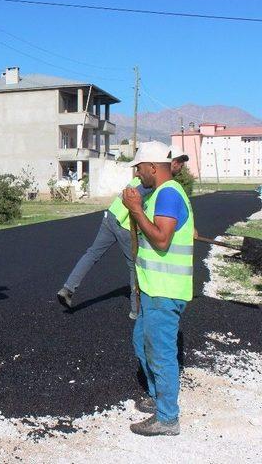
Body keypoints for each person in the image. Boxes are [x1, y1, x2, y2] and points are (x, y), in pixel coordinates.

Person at [56, 142, 188, 318]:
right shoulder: (154, 183)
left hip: (111, 215)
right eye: (179, 162)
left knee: (92, 253)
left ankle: (68, 288)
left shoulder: (147, 177)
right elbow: (136, 199)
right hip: (126, 225)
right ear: (169, 162)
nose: (181, 166)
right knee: (135, 267)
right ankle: (136, 310)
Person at [122, 141, 194, 436]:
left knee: (161, 352)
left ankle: (168, 419)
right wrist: (139, 206)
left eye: (139, 169)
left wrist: (137, 210)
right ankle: (157, 398)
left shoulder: (167, 194)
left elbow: (162, 240)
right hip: (153, 289)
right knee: (143, 343)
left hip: (166, 291)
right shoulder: (162, 195)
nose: (137, 175)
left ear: (153, 167)